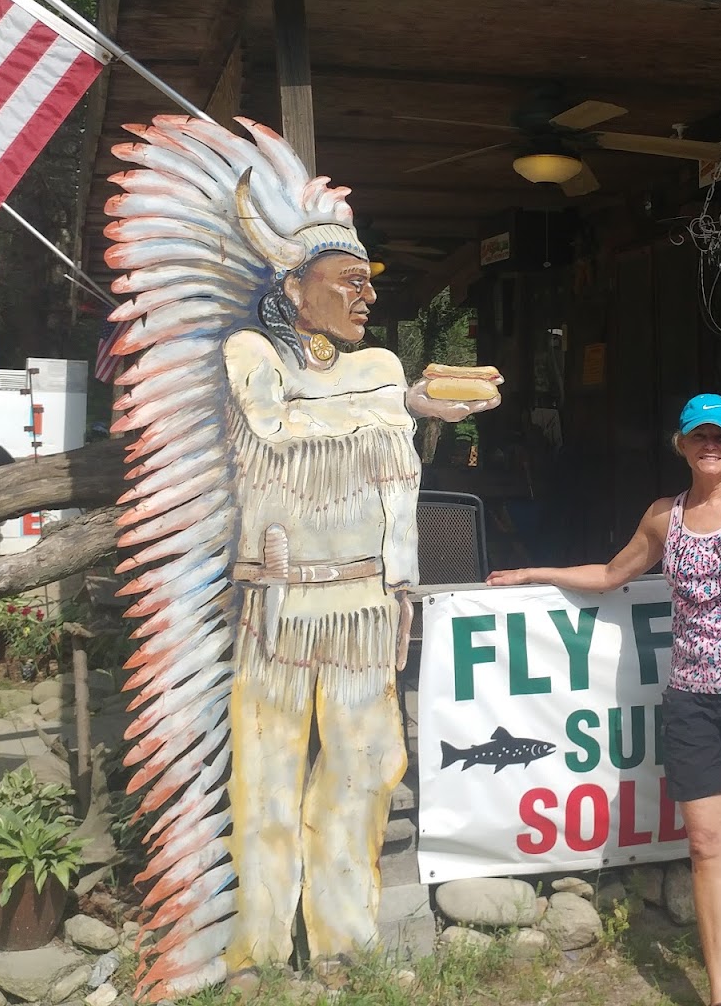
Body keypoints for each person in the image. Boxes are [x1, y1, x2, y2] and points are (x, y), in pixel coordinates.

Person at [490, 393, 721, 1006]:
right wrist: (535, 574)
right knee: (706, 845)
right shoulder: (665, 517)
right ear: (682, 445)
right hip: (693, 703)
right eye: (699, 437)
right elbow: (613, 574)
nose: (711, 446)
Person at [222, 234, 497, 973]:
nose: (366, 295)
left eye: (367, 282)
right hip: (278, 606)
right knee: (267, 775)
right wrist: (401, 408)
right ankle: (258, 947)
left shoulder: (379, 368)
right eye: (347, 281)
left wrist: (408, 402)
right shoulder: (253, 354)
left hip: (367, 605)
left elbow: (381, 461)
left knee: (362, 769)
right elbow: (275, 428)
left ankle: (344, 937)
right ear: (294, 289)